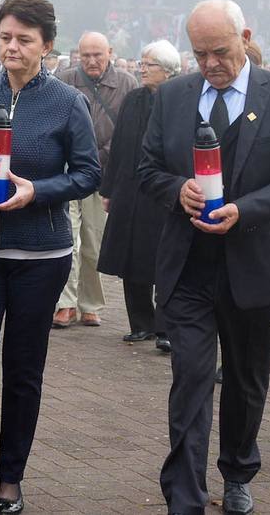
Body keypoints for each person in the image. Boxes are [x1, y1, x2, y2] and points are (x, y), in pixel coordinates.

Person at [139, 0, 270, 515]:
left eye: (220, 51)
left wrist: (245, 209)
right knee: (191, 377)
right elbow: (147, 169)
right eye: (200, 54)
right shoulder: (172, 96)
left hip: (254, 265)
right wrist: (178, 190)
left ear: (246, 37)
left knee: (245, 377)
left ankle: (238, 470)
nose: (211, 63)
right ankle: (185, 495)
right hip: (188, 266)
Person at [0, 0, 100, 514]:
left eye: (24, 39)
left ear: (46, 46)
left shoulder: (68, 102)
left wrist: (38, 191)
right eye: (5, 36)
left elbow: (88, 173)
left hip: (41, 256)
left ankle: (12, 474)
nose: (11, 47)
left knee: (24, 369)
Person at [97, 39, 180, 352]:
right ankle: (140, 323)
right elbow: (119, 146)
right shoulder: (133, 99)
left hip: (162, 192)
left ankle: (165, 326)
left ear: (168, 70)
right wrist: (108, 189)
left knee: (164, 259)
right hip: (130, 190)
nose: (142, 69)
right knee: (131, 257)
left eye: (150, 65)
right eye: (142, 64)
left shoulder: (179, 99)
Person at [53, 31, 138, 327]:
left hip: (103, 175)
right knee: (67, 239)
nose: (91, 61)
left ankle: (90, 303)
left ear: (110, 53)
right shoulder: (64, 79)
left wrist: (99, 155)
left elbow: (129, 131)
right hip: (67, 173)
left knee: (93, 242)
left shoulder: (127, 83)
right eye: (85, 55)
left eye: (97, 55)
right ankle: (65, 303)